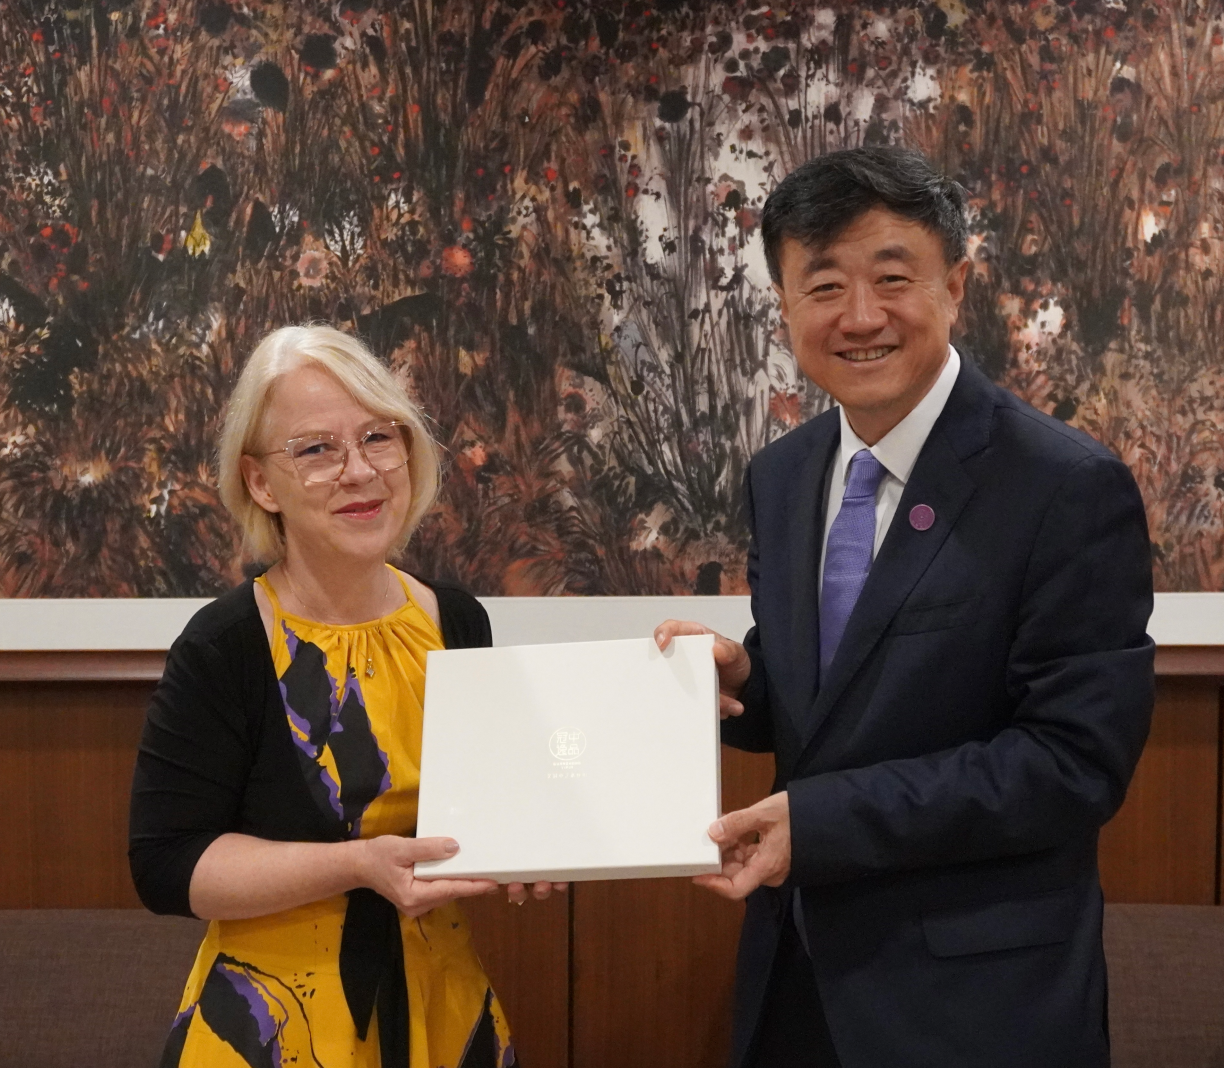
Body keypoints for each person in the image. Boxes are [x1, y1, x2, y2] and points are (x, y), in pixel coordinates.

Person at [655, 147, 1154, 1067]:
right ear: (783, 305)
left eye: (892, 279)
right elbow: (841, 686)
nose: (859, 317)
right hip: (796, 979)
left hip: (974, 1007)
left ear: (954, 285)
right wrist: (742, 680)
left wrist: (823, 822)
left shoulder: (1062, 484)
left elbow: (1073, 761)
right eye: (823, 286)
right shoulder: (784, 473)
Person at [129, 325, 559, 1068]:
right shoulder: (225, 644)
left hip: (441, 1002)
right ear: (261, 483)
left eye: (377, 437)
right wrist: (357, 865)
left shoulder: (457, 621)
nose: (360, 471)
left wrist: (531, 844)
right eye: (317, 450)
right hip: (273, 1022)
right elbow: (167, 864)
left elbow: (485, 806)